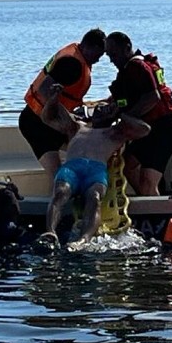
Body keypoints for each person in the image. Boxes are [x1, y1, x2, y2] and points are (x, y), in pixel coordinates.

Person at [38, 83, 150, 248]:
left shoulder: (115, 133)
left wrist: (121, 113)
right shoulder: (77, 126)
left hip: (95, 171)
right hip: (72, 168)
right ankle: (50, 232)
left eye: (105, 109)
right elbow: (48, 117)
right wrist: (54, 98)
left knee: (94, 198)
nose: (100, 110)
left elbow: (144, 129)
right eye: (98, 108)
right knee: (60, 192)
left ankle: (83, 240)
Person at [19, 28, 107, 180]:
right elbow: (45, 90)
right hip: (36, 123)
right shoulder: (72, 63)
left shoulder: (78, 56)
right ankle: (61, 200)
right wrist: (69, 119)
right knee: (58, 174)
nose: (98, 60)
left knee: (86, 151)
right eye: (98, 55)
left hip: (52, 122)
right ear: (88, 46)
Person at [104, 31, 172, 195]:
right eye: (109, 56)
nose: (112, 60)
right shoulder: (129, 69)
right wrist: (105, 103)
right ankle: (149, 200)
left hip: (162, 131)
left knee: (148, 182)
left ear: (127, 48)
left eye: (114, 54)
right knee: (126, 167)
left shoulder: (137, 66)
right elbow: (130, 93)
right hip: (148, 132)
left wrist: (128, 117)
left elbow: (153, 97)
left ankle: (156, 212)